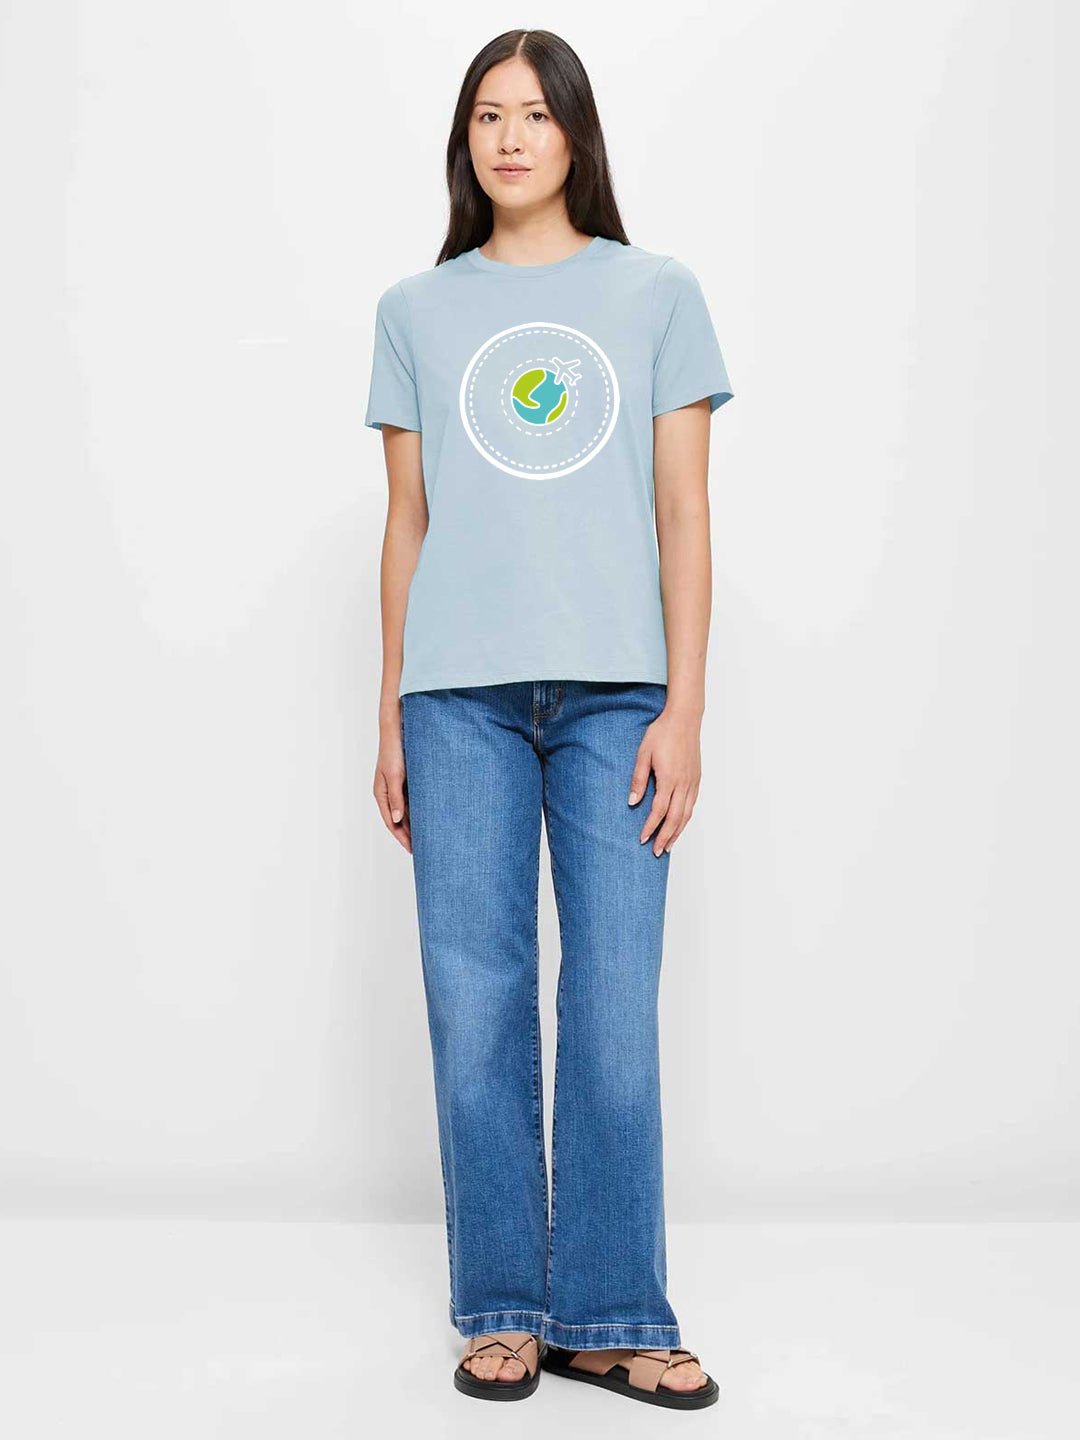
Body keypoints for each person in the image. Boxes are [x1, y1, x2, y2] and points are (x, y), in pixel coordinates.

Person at [364, 28, 733, 1412]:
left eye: (535, 113)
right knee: (475, 1000)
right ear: (464, 140)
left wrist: (685, 706)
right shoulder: (415, 309)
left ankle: (614, 1311)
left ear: (577, 131)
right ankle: (506, 1308)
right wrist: (390, 714)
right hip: (454, 700)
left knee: (613, 1003)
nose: (510, 137)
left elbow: (684, 513)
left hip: (618, 698)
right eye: (487, 115)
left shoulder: (657, 294)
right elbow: (407, 526)